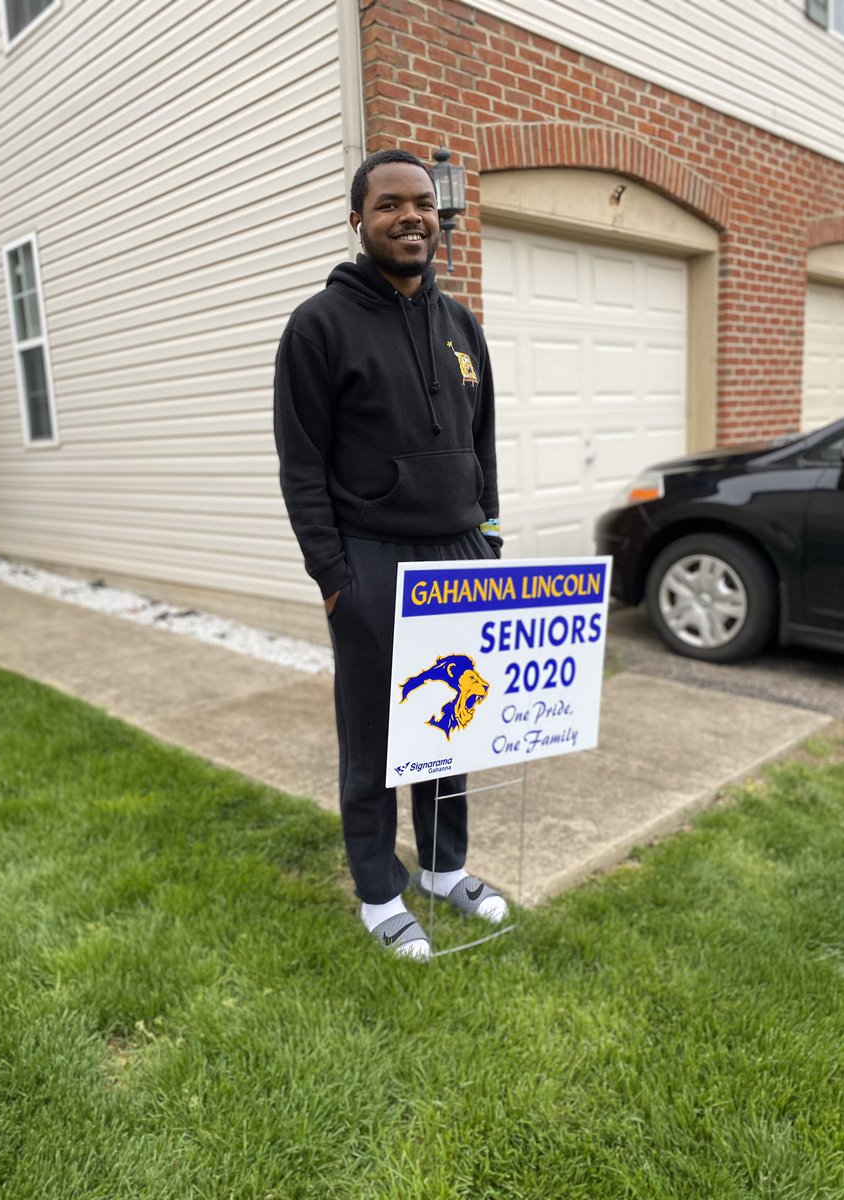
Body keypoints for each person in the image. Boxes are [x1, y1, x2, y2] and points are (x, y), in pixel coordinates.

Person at [273, 148, 507, 957]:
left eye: (423, 204)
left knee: (455, 719)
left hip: (462, 554)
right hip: (373, 560)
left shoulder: (461, 322)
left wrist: (492, 533)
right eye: (390, 205)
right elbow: (302, 464)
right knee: (374, 733)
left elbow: (483, 442)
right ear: (358, 222)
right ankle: (379, 889)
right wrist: (335, 578)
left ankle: (444, 869)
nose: (413, 216)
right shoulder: (318, 327)